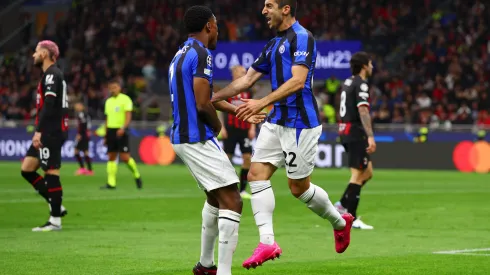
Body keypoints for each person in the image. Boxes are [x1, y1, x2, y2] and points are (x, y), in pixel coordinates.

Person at [212, 0, 354, 269]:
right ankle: (267, 242)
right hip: (276, 121)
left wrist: (262, 102)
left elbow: (298, 81)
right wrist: (213, 97)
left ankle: (339, 221)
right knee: (255, 175)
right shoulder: (272, 44)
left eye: (269, 5)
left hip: (301, 123)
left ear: (286, 8)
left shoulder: (303, 37)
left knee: (298, 188)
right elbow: (246, 81)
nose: (264, 11)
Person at [169, 6, 265, 275]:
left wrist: (239, 111)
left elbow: (204, 98)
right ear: (209, 26)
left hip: (183, 135)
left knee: (215, 197)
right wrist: (217, 124)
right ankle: (221, 271)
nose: (219, 31)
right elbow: (203, 103)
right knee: (233, 199)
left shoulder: (180, 53)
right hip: (196, 136)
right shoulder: (202, 54)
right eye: (217, 25)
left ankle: (206, 265)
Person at [21, 40, 68, 231]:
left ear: (45, 54)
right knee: (27, 169)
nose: (33, 55)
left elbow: (49, 105)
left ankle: (55, 220)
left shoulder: (52, 75)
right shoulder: (49, 75)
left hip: (51, 131)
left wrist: (38, 131)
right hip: (49, 129)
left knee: (51, 173)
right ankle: (55, 203)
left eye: (36, 51)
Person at [335, 51, 376, 230]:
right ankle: (350, 218)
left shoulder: (347, 82)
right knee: (358, 174)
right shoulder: (361, 84)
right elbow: (363, 111)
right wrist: (370, 136)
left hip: (345, 130)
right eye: (371, 63)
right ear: (365, 66)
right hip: (355, 132)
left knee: (367, 172)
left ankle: (342, 204)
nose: (372, 66)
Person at [220, 65, 256, 200]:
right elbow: (221, 110)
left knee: (247, 158)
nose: (245, 74)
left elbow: (253, 109)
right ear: (235, 73)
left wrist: (252, 127)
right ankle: (225, 188)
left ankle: (242, 191)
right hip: (230, 129)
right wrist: (222, 127)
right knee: (226, 158)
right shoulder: (228, 90)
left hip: (244, 129)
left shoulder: (248, 91)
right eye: (243, 72)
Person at [101, 80, 142, 190]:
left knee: (125, 157)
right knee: (111, 156)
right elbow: (107, 119)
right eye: (111, 88)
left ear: (119, 87)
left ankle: (136, 175)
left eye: (114, 87)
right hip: (110, 130)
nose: (112, 90)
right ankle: (111, 183)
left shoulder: (125, 99)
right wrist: (105, 135)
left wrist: (123, 128)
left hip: (121, 130)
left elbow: (128, 116)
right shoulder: (108, 101)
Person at [74, 102, 94, 176]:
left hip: (83, 135)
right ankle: (88, 169)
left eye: (78, 105)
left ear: (81, 106)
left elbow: (83, 125)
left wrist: (79, 134)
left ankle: (85, 169)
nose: (76, 106)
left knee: (77, 151)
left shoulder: (81, 114)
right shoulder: (84, 114)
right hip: (85, 135)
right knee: (84, 151)